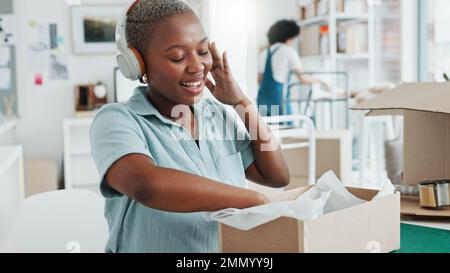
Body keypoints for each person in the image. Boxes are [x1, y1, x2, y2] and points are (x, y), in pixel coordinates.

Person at [89, 0, 289, 253]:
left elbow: (276, 176)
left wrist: (242, 102)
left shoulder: (215, 114)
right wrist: (252, 199)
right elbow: (147, 185)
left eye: (203, 51)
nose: (197, 67)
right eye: (177, 57)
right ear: (138, 64)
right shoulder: (118, 119)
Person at [257, 19, 328, 116]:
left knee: (265, 129)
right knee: (284, 129)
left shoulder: (264, 52)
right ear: (288, 38)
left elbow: (259, 80)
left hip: (262, 101)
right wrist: (321, 81)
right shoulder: (289, 52)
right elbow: (303, 78)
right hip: (277, 101)